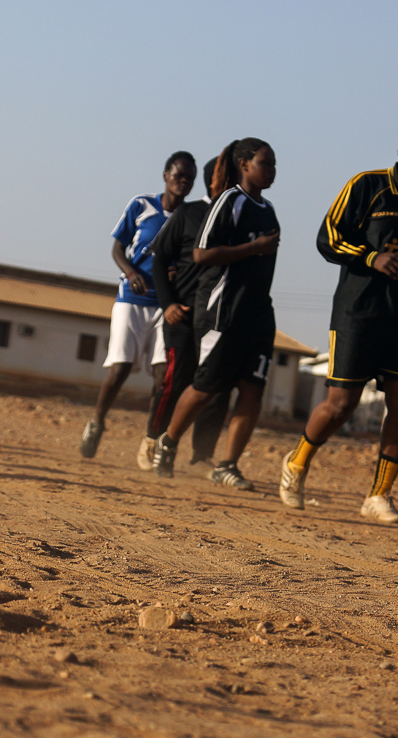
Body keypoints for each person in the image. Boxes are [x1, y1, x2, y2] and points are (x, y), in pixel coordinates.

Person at [279, 117, 398, 524]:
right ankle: (297, 463)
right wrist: (371, 257)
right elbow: (327, 236)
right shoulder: (367, 186)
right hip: (359, 314)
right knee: (342, 405)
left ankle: (378, 496)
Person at [152, 138, 279, 489]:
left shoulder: (267, 209)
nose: (272, 171)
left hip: (258, 315)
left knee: (253, 390)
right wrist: (254, 247)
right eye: (265, 163)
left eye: (274, 164)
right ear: (244, 165)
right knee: (207, 387)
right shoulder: (229, 200)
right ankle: (168, 441)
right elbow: (201, 254)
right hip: (223, 311)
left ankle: (228, 464)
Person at [80, 152, 196, 465]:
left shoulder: (190, 217)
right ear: (165, 175)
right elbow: (118, 247)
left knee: (163, 378)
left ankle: (151, 440)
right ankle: (98, 422)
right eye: (178, 175)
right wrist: (131, 273)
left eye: (189, 177)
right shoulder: (141, 205)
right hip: (131, 300)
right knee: (119, 369)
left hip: (166, 306)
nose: (183, 181)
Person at [148, 155, 230, 464]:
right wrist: (167, 304)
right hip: (181, 314)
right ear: (214, 182)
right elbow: (159, 260)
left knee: (215, 390)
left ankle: (201, 459)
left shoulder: (238, 218)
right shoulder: (188, 213)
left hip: (216, 319)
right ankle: (153, 441)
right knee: (173, 382)